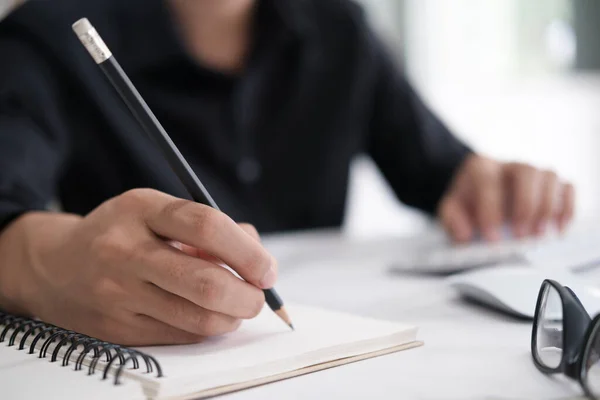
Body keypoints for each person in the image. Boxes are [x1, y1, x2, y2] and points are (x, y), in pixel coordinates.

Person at [0, 0, 574, 345]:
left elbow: (440, 170)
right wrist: (42, 259)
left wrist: (483, 185)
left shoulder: (337, 25)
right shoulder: (49, 34)